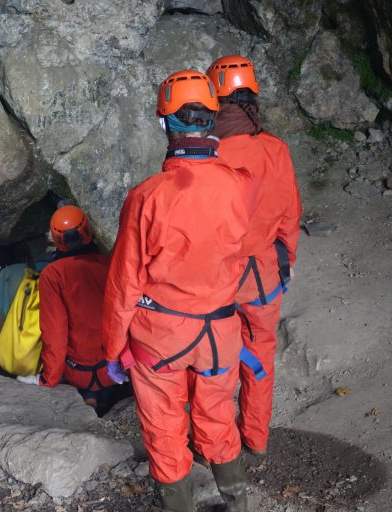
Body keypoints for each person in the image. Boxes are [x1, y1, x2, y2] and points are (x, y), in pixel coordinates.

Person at [102, 70, 256, 511]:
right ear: (211, 119)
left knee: (165, 430)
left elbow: (123, 284)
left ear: (164, 123)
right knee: (218, 417)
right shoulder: (238, 184)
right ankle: (238, 504)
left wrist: (113, 349)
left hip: (161, 339)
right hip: (220, 334)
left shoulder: (147, 197)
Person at [207, 55, 302, 456]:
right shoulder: (275, 149)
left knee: (215, 363)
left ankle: (216, 447)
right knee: (260, 359)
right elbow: (289, 214)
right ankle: (256, 439)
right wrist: (286, 263)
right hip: (264, 277)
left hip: (220, 282)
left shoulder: (206, 157)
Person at [16, 206, 124, 416]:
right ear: (89, 232)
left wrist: (49, 379)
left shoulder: (53, 275)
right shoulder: (109, 264)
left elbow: (55, 332)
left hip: (80, 372)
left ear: (56, 241)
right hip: (114, 368)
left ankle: (90, 400)